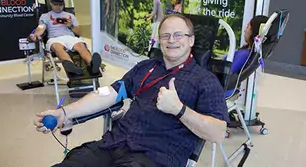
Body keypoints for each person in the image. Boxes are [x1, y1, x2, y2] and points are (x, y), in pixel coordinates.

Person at [34, 14, 229, 167]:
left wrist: (179, 109)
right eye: (165, 35)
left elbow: (218, 133)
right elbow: (108, 94)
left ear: (191, 41)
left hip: (154, 157)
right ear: (159, 41)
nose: (172, 40)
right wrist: (64, 113)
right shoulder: (145, 68)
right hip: (113, 145)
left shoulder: (205, 81)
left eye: (179, 35)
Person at [29, 0, 101, 75]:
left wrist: (70, 26)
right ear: (51, 3)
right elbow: (41, 27)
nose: (58, 7)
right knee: (57, 47)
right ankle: (71, 66)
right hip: (54, 38)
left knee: (80, 45)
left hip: (70, 37)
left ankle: (92, 64)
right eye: (56, 4)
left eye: (61, 5)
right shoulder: (45, 16)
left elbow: (79, 32)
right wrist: (36, 34)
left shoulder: (70, 16)